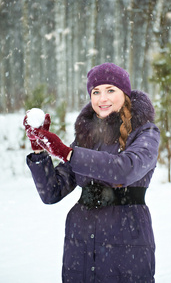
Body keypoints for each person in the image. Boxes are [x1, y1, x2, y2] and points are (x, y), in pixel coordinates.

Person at [23, 62, 160, 283]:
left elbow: (125, 169)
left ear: (125, 94)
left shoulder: (146, 133)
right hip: (81, 244)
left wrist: (68, 153)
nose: (102, 98)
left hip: (126, 241)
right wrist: (39, 150)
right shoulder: (85, 137)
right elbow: (51, 192)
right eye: (96, 92)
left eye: (110, 90)